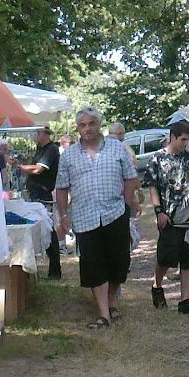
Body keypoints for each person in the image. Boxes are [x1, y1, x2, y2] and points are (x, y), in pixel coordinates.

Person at [55, 107, 137, 329]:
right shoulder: (69, 155)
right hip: (84, 216)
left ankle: (112, 301)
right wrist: (63, 215)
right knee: (94, 263)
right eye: (82, 125)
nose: (87, 129)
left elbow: (131, 178)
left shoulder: (117, 148)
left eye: (91, 123)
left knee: (119, 263)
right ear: (78, 128)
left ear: (99, 125)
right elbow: (61, 188)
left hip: (115, 213)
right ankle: (104, 314)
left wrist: (127, 205)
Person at [146, 120, 189, 315]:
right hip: (169, 217)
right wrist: (158, 211)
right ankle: (157, 286)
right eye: (183, 139)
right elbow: (153, 186)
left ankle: (185, 300)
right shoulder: (157, 159)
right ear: (172, 137)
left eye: (188, 140)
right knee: (165, 258)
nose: (185, 143)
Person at [15, 126, 62, 280]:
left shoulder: (51, 150)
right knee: (41, 229)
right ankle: (47, 268)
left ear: (43, 134)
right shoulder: (40, 149)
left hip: (42, 194)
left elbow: (37, 170)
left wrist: (20, 167)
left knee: (48, 230)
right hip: (36, 192)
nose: (34, 136)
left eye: (36, 133)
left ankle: (55, 269)